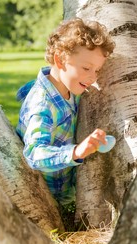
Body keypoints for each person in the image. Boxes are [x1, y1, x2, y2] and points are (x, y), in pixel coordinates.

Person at [15, 18, 115, 223]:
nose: (92, 78)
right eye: (86, 68)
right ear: (60, 61)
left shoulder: (67, 89)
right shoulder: (43, 104)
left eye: (96, 70)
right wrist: (76, 152)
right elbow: (34, 153)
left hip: (66, 191)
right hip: (49, 203)